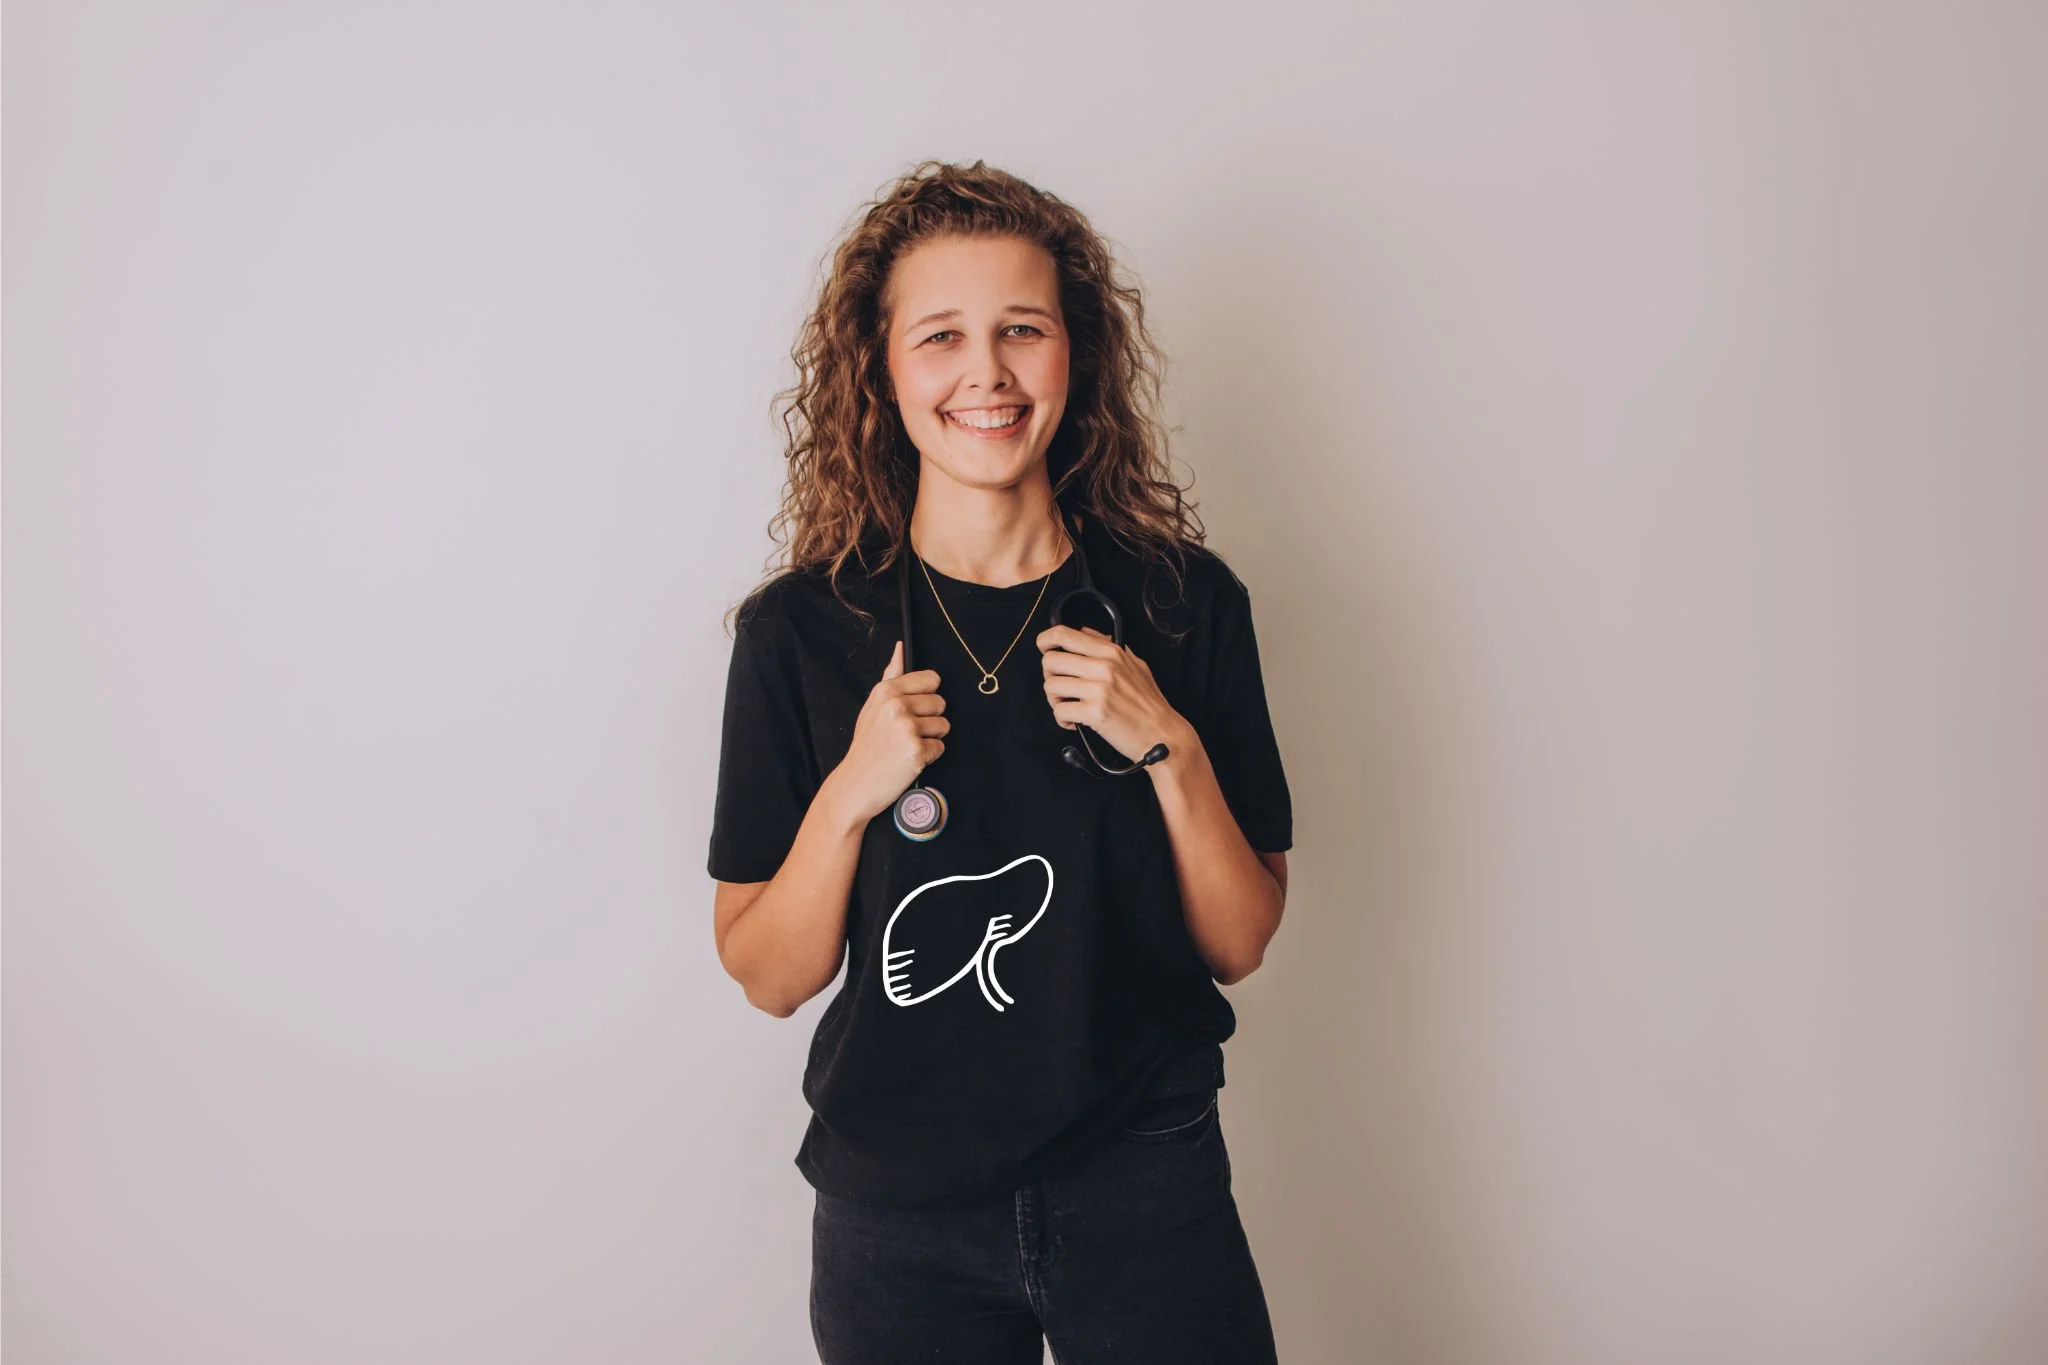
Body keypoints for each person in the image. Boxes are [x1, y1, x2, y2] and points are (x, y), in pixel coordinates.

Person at [707, 160, 1293, 1364]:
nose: (986, 372)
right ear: (880, 370)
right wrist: (848, 796)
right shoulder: (799, 635)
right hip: (897, 1219)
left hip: (1146, 1185)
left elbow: (1238, 941)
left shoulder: (1183, 607)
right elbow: (767, 976)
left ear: (1075, 354)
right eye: (941, 336)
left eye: (1021, 329)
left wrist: (1168, 746)